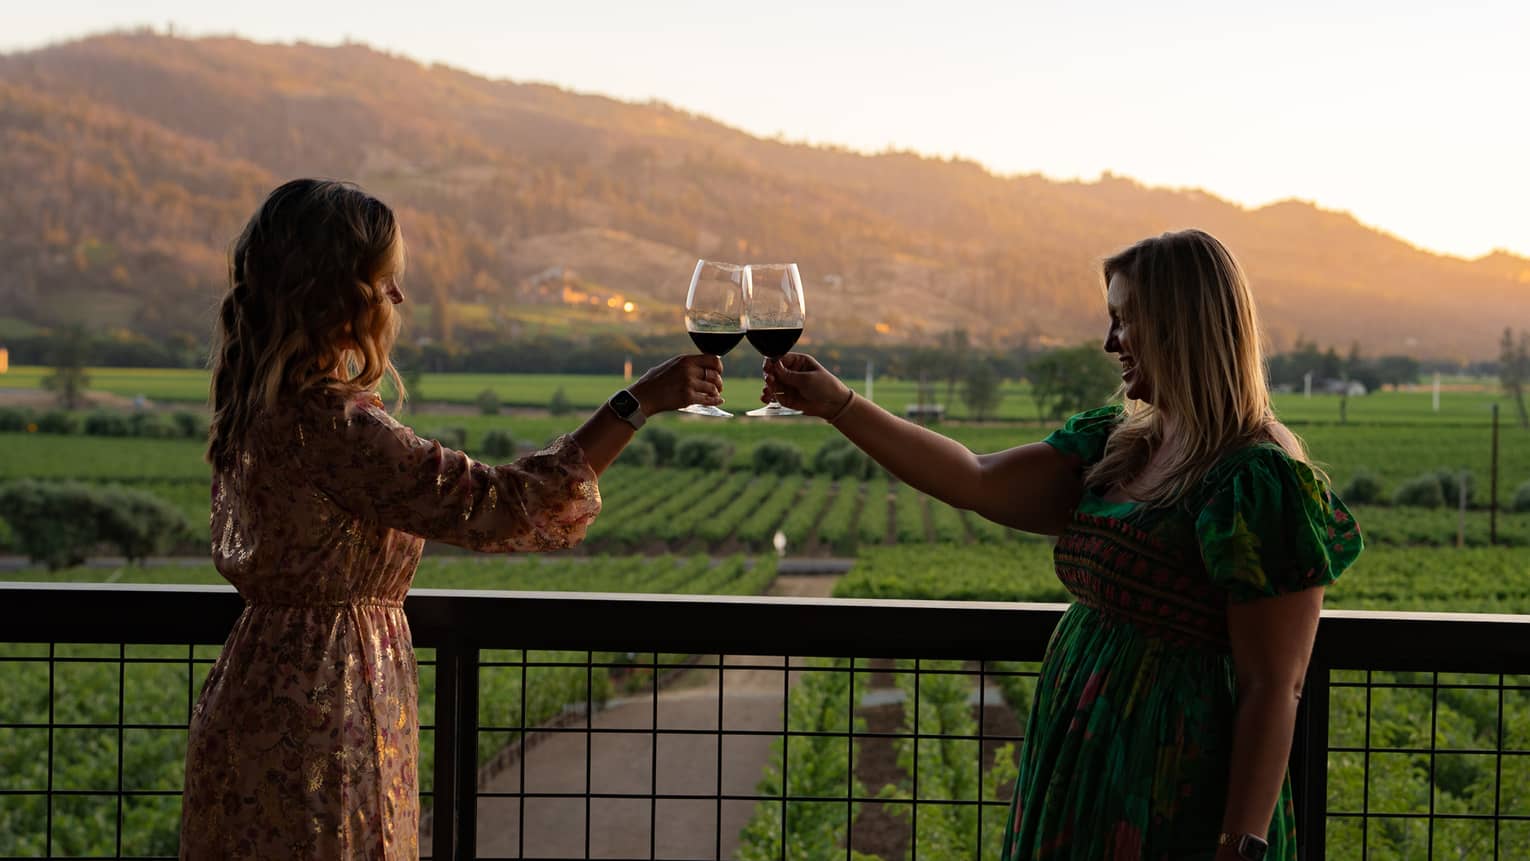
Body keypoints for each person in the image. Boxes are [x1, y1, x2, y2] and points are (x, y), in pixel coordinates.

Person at [761, 229, 1362, 861]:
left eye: (1124, 321)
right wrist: (839, 406)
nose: (1109, 343)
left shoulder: (1257, 478)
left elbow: (1275, 686)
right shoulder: (1120, 443)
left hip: (1175, 783)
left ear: (1181, 325)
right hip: (1080, 767)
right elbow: (974, 479)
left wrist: (1238, 845)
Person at [179, 179, 723, 860]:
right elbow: (497, 504)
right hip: (326, 712)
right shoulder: (332, 426)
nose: (397, 299)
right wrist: (636, 404)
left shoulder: (261, 410)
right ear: (335, 292)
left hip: (261, 691)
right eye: (385, 281)